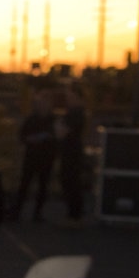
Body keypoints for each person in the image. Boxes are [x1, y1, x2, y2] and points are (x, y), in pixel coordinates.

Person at [10, 90, 57, 222]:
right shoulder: (32, 119)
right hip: (32, 156)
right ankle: (17, 210)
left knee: (42, 186)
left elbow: (56, 138)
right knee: (25, 184)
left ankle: (37, 213)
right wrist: (33, 139)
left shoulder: (52, 120)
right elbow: (22, 136)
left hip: (46, 157)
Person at [56, 84, 87, 226]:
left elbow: (61, 132)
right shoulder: (74, 113)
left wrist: (59, 127)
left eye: (70, 97)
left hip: (72, 153)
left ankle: (74, 216)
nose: (68, 100)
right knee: (70, 182)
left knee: (71, 182)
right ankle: (74, 215)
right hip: (70, 151)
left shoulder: (75, 113)